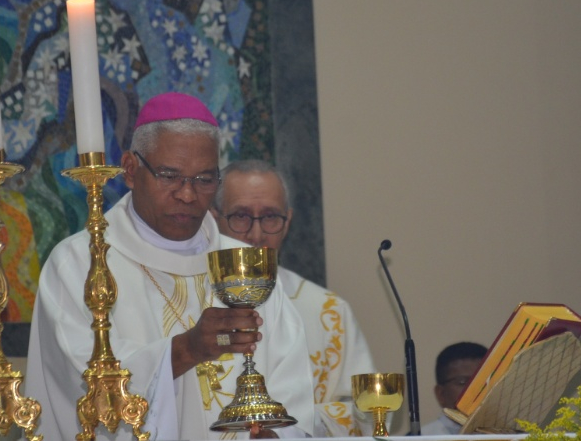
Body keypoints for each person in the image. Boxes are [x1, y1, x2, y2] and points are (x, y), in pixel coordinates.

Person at [25, 93, 315, 440]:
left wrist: (278, 435)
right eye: (169, 176)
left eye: (204, 179)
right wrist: (185, 350)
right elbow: (80, 389)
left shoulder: (245, 265)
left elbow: (292, 388)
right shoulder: (79, 265)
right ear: (131, 170)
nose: (188, 195)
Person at [212, 160, 377, 437]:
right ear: (214, 219)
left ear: (287, 221)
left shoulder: (329, 311)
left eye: (270, 217)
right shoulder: (190, 300)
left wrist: (291, 430)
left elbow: (366, 411)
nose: (256, 235)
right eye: (240, 216)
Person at [422, 341, 487, 435]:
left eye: (483, 381)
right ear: (441, 394)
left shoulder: (511, 436)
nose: (475, 390)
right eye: (462, 382)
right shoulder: (420, 438)